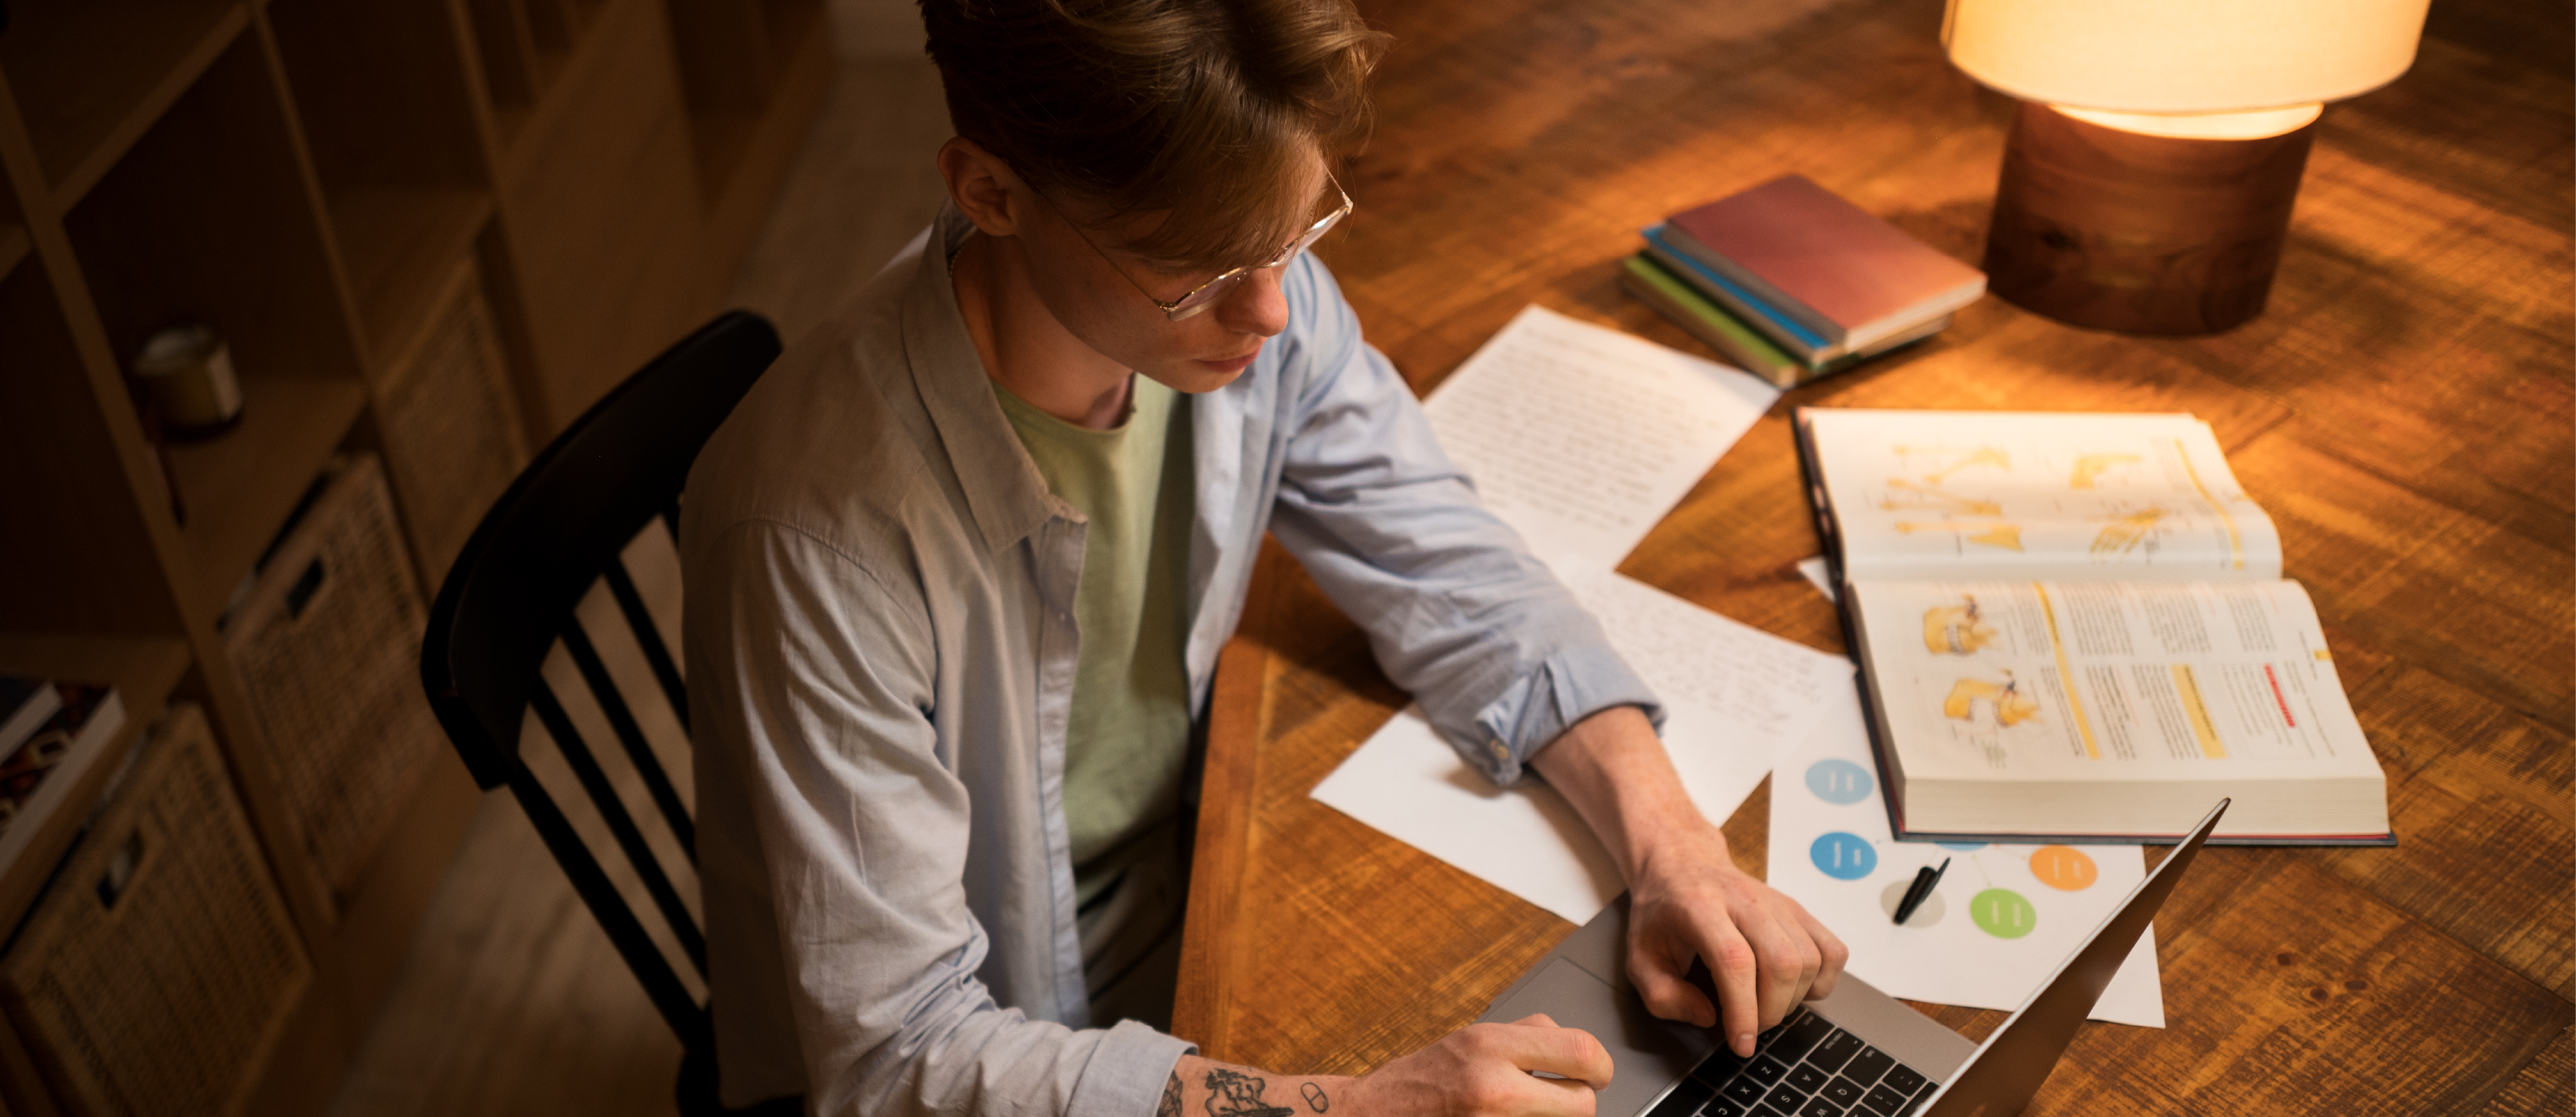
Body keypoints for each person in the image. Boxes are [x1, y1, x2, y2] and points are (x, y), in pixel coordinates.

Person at [677, 0, 1848, 1113]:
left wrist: (1678, 851)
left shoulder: (1235, 287)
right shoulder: (812, 538)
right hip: (1018, 1026)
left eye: (1296, 233)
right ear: (990, 190)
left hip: (1192, 872)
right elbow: (899, 1055)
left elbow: (1459, 575)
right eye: (1193, 273)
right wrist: (1351, 1105)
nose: (1274, 315)